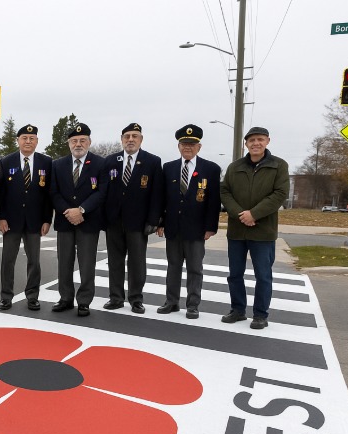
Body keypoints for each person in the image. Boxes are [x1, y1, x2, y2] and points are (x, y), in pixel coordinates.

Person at [220, 126, 290, 329]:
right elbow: (225, 192)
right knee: (235, 274)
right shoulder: (235, 167)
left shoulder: (279, 165)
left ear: (267, 141)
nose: (256, 143)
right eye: (251, 140)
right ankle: (238, 310)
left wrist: (254, 214)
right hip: (237, 230)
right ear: (246, 144)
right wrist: (240, 214)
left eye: (260, 139)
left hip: (263, 231)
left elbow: (280, 194)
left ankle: (260, 315)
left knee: (263, 275)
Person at [156, 125, 221, 319]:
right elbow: (162, 198)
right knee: (173, 267)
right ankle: (171, 301)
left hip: (197, 229)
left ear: (199, 147)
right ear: (178, 146)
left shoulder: (211, 169)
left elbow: (214, 201)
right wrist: (160, 222)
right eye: (184, 144)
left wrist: (210, 227)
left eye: (192, 144)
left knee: (194, 269)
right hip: (173, 227)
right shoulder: (168, 168)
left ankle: (193, 305)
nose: (187, 147)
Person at [103, 123, 163, 313]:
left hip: (138, 222)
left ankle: (136, 299)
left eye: (134, 136)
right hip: (114, 221)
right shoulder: (110, 161)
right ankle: (116, 297)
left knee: (137, 262)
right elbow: (104, 192)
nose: (130, 140)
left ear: (141, 139)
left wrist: (153, 221)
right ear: (122, 139)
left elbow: (156, 194)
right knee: (115, 262)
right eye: (127, 136)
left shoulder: (152, 161)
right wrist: (103, 218)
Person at [50, 124, 109, 317]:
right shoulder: (57, 165)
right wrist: (68, 212)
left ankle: (84, 301)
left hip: (88, 221)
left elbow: (101, 192)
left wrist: (81, 210)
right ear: (69, 143)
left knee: (87, 263)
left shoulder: (100, 163)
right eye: (74, 141)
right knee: (64, 263)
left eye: (82, 140)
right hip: (65, 220)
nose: (78, 144)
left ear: (89, 142)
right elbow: (53, 192)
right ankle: (65, 298)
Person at [0, 124, 53, 311]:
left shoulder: (46, 162)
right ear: (18, 141)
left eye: (32, 138)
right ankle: (6, 296)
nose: (28, 141)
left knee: (34, 261)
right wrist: (1, 217)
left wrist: (47, 219)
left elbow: (48, 195)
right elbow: (1, 192)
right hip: (11, 221)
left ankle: (32, 296)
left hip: (35, 221)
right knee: (8, 260)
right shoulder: (7, 161)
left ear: (37, 141)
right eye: (24, 138)